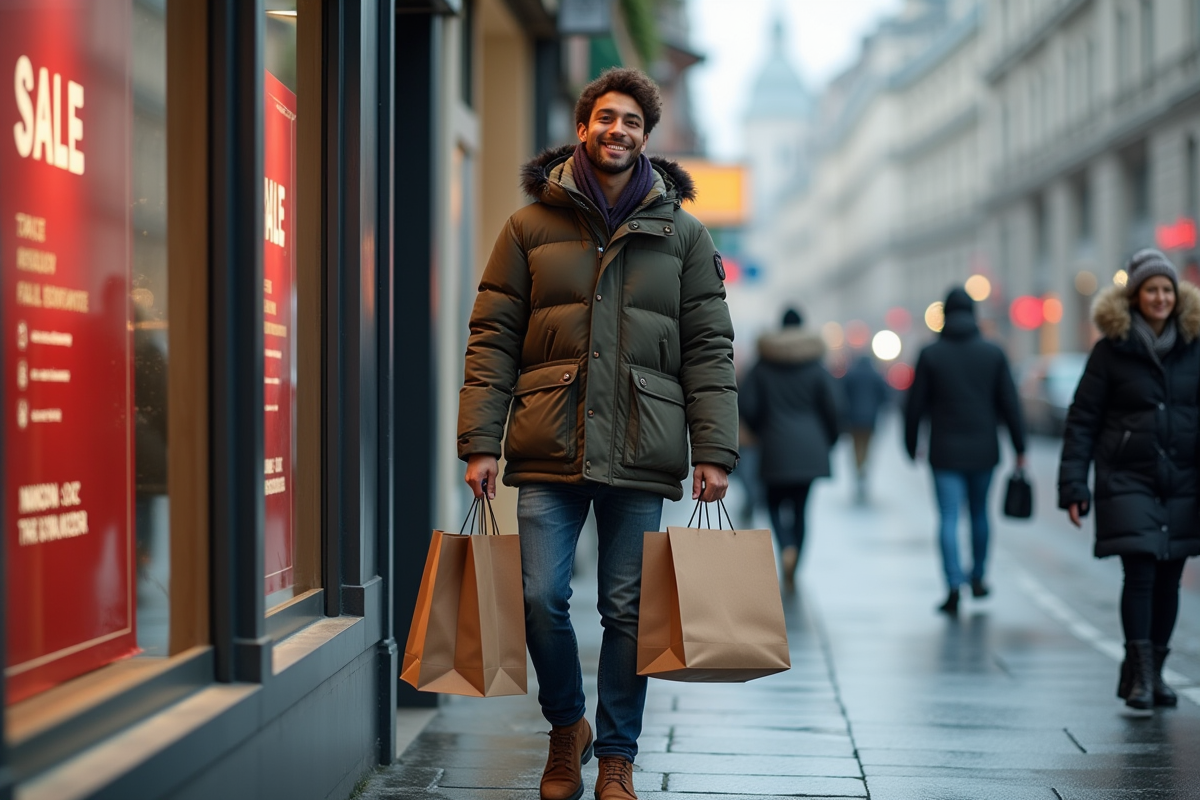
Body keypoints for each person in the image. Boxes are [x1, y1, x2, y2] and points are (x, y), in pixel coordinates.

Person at [456, 67, 739, 800]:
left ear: (646, 138)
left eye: (633, 122)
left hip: (642, 448)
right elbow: (492, 338)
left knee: (628, 610)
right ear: (583, 128)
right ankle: (566, 728)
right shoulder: (528, 227)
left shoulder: (683, 234)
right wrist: (480, 441)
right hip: (548, 440)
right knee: (539, 598)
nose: (619, 131)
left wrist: (714, 450)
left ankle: (616, 756)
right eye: (607, 118)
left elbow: (710, 348)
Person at [1058, 249, 1200, 711]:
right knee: (1140, 572)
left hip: (1183, 479)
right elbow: (1083, 419)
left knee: (1170, 577)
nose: (1160, 298)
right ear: (1135, 296)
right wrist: (1073, 484)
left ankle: (1154, 671)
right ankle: (1140, 676)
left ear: (1176, 296)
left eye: (1166, 290)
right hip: (1128, 478)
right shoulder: (1111, 350)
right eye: (1151, 290)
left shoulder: (1194, 345)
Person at [905, 287, 1026, 616]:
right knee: (979, 513)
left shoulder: (930, 354)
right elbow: (1010, 403)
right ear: (974, 314)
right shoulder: (993, 352)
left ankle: (952, 585)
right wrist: (1020, 447)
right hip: (984, 449)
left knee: (948, 517)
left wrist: (911, 443)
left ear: (945, 314)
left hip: (944, 451)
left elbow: (914, 405)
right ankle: (979, 576)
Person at [738, 308, 840, 592]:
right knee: (801, 508)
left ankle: (785, 546)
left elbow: (746, 404)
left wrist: (761, 429)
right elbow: (833, 407)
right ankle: (795, 557)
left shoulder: (763, 364)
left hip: (774, 445)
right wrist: (828, 440)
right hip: (809, 448)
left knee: (772, 502)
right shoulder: (815, 364)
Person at [840, 352, 890, 503]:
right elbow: (886, 396)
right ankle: (863, 469)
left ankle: (858, 468)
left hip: (853, 419)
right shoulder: (876, 375)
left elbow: (841, 394)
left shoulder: (851, 375)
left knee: (856, 447)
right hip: (870, 419)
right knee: (867, 447)